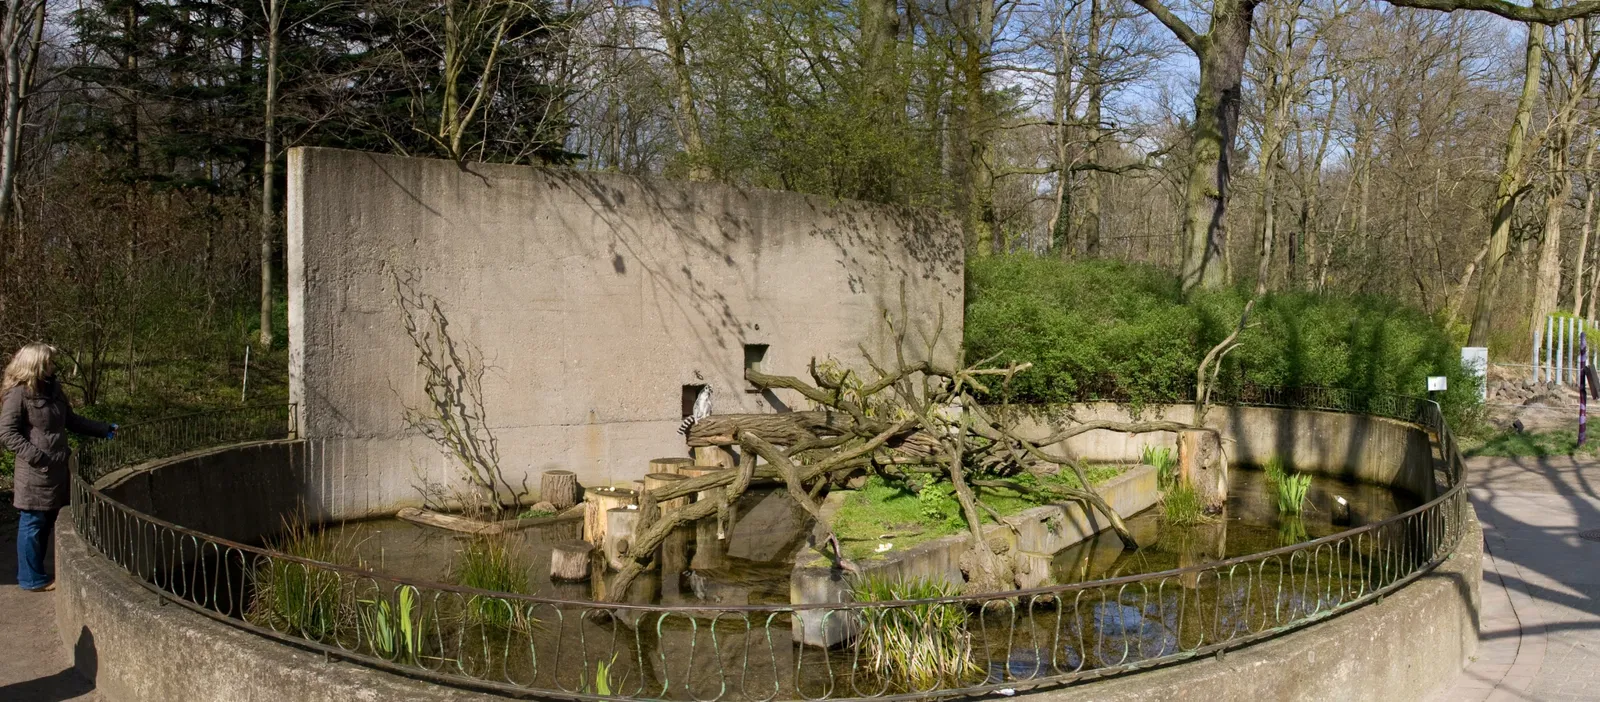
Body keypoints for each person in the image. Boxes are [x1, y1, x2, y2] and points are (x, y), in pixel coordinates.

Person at [0, 344, 114, 592]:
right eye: (50, 361)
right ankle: (31, 578)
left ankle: (36, 571)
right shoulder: (19, 394)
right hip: (35, 473)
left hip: (58, 470)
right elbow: (7, 433)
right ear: (37, 364)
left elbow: (71, 420)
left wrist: (103, 429)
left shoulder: (54, 390)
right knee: (32, 522)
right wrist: (38, 457)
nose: (54, 365)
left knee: (47, 520)